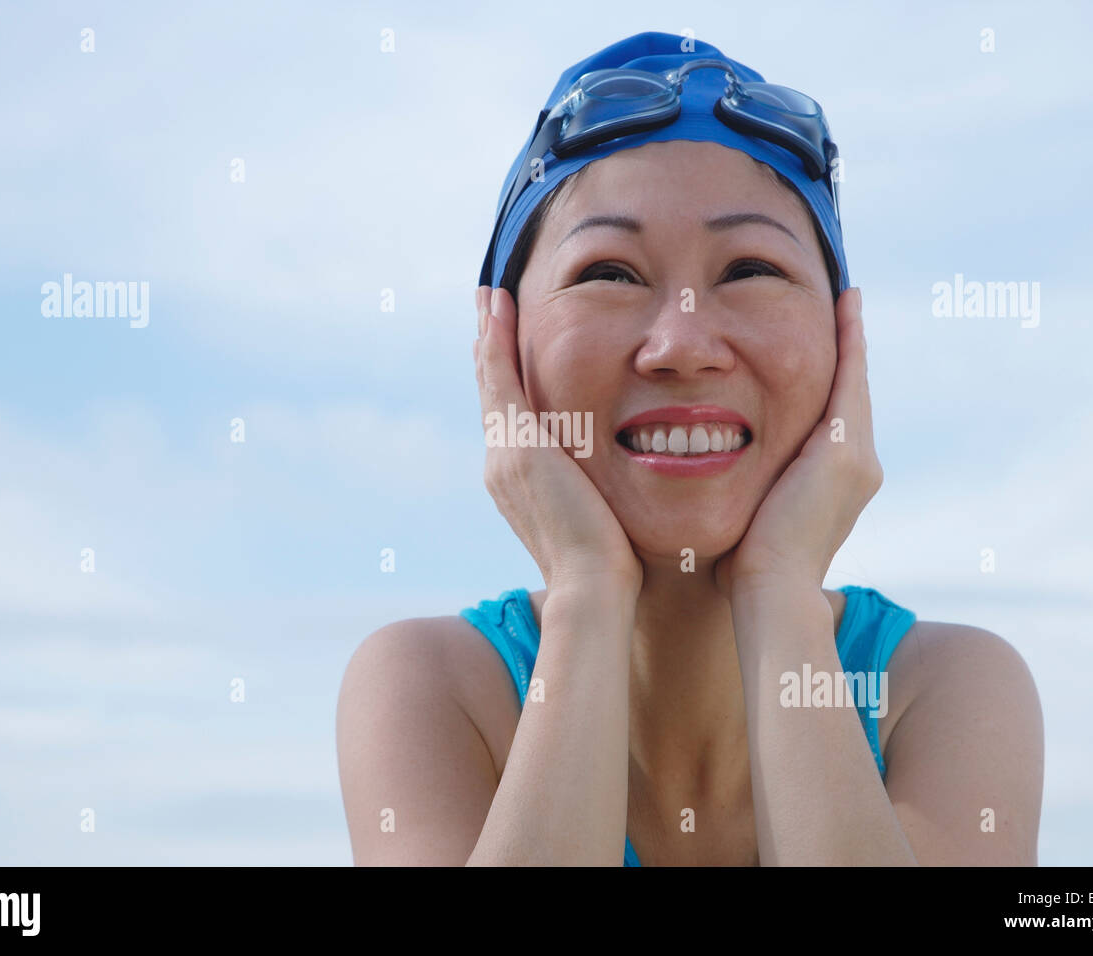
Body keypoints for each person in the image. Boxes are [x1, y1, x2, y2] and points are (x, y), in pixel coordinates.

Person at [337, 31, 1044, 866]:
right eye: (610, 273)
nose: (682, 342)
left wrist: (779, 590)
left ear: (844, 338)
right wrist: (587, 593)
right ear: (500, 345)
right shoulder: (434, 690)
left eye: (749, 269)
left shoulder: (941, 692)